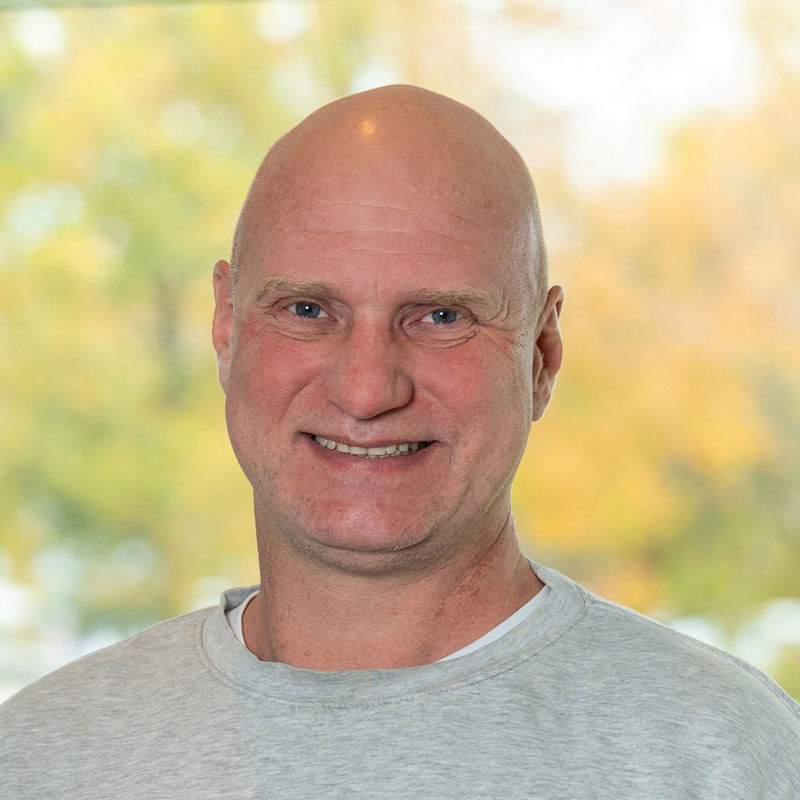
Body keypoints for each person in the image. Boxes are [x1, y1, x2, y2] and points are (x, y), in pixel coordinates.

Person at [1, 84, 798, 799]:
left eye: (442, 317)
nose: (367, 389)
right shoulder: (42, 758)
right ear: (226, 327)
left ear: (542, 352)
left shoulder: (727, 756)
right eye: (308, 310)